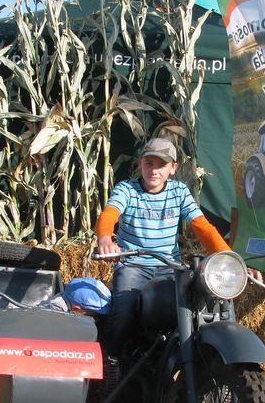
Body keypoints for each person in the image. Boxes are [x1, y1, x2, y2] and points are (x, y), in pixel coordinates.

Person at [95, 136, 237, 367]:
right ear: (140, 163)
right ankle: (109, 363)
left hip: (169, 268)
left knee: (194, 312)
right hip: (133, 266)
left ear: (173, 168)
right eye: (149, 163)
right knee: (123, 314)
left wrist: (229, 258)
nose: (154, 171)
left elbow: (202, 227)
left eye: (161, 165)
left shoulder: (179, 192)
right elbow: (109, 214)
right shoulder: (127, 190)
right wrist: (104, 239)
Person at [38, 277, 112, 316]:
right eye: (94, 315)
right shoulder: (53, 313)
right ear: (77, 309)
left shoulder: (67, 296)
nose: (96, 317)